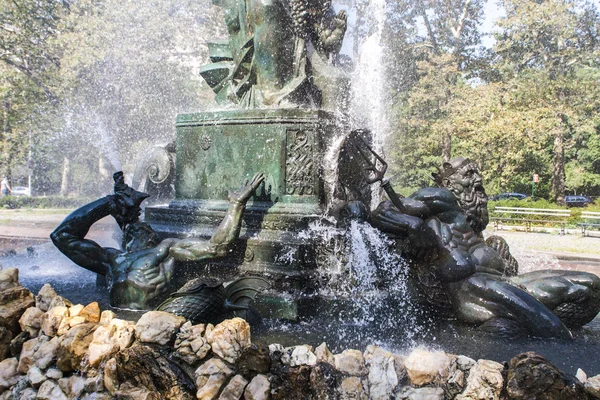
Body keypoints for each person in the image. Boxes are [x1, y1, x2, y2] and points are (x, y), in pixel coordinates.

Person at [364, 155, 600, 338]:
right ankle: (559, 341)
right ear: (448, 182)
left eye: (476, 173)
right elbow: (384, 211)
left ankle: (505, 326)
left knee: (592, 286)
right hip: (471, 286)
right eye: (468, 174)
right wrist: (414, 227)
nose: (477, 179)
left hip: (503, 282)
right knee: (545, 323)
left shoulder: (472, 214)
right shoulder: (439, 197)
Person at [51, 171, 265, 310]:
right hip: (116, 325)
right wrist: (109, 203)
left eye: (144, 226)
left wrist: (236, 205)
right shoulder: (111, 260)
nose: (139, 227)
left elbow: (217, 248)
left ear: (152, 235)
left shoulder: (168, 249)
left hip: (158, 324)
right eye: (133, 228)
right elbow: (61, 236)